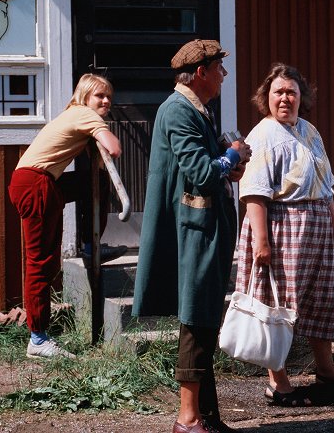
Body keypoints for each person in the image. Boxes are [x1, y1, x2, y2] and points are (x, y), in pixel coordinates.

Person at [132, 39, 251, 433]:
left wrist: (228, 166)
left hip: (204, 227)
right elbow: (201, 173)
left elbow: (205, 170)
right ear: (201, 71)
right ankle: (187, 419)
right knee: (196, 317)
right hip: (192, 230)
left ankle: (207, 417)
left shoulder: (198, 110)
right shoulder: (179, 110)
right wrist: (232, 154)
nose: (223, 75)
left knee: (203, 318)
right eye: (219, 67)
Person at [234, 63, 334, 408]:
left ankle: (325, 370)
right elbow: (254, 193)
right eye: (278, 92)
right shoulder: (262, 135)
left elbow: (325, 185)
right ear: (267, 98)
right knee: (281, 303)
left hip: (317, 224)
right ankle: (277, 381)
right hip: (282, 226)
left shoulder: (309, 130)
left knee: (319, 299)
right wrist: (261, 242)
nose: (285, 98)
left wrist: (333, 224)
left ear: (301, 97)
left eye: (291, 91)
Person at [8, 73, 125, 359]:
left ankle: (89, 244)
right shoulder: (85, 114)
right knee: (41, 262)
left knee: (93, 182)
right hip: (36, 184)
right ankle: (38, 339)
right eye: (100, 95)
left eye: (109, 95)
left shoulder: (72, 115)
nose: (106, 101)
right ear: (85, 96)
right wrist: (100, 133)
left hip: (34, 182)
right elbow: (114, 148)